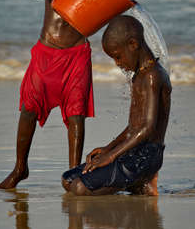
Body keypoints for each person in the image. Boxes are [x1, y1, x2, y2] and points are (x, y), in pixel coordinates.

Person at [0, 0, 122, 189]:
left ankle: (73, 172)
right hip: (46, 53)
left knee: (76, 116)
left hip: (76, 56)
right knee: (28, 108)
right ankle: (20, 167)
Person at [62, 15, 172, 196]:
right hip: (132, 152)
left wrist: (111, 156)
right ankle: (132, 184)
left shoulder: (152, 76)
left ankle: (141, 180)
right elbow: (134, 126)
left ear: (133, 44)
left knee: (79, 187)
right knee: (68, 179)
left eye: (118, 57)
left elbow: (147, 129)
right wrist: (108, 148)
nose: (117, 63)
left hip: (146, 157)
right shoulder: (139, 75)